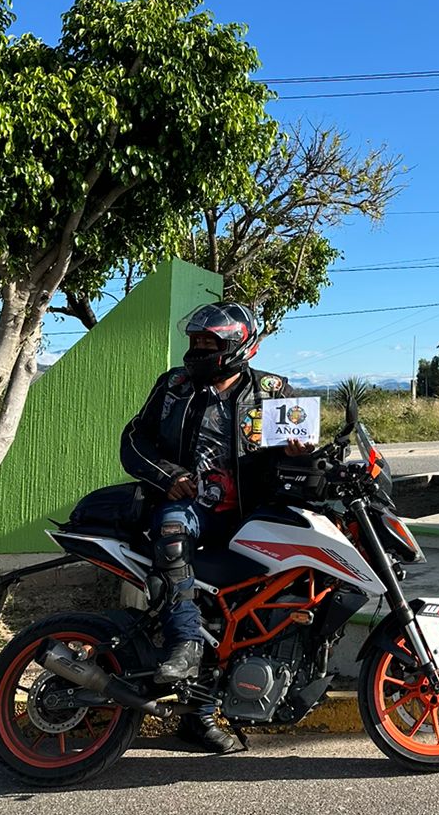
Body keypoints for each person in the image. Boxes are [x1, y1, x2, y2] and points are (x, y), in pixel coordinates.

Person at [120, 301, 315, 754]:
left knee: (234, 619)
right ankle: (183, 646)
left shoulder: (273, 390)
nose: (198, 351)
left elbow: (303, 453)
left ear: (237, 346)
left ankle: (199, 716)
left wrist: (299, 451)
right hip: (190, 509)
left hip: (252, 517)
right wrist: (169, 477)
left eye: (210, 344)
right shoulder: (174, 386)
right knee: (171, 534)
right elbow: (133, 440)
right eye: (194, 342)